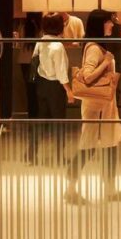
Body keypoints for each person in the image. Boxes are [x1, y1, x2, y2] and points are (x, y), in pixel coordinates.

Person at [64, 9, 121, 205]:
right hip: (97, 106)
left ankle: (109, 189)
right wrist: (106, 62)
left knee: (109, 145)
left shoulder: (98, 46)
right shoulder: (94, 48)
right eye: (108, 22)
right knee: (89, 146)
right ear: (99, 24)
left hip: (105, 105)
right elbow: (87, 76)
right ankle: (70, 188)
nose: (111, 25)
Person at [27, 13, 73, 167]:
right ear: (59, 26)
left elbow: (35, 61)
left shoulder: (41, 41)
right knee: (58, 122)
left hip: (41, 84)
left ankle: (31, 154)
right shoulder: (57, 45)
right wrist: (69, 90)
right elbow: (61, 71)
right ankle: (59, 156)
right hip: (55, 87)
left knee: (41, 120)